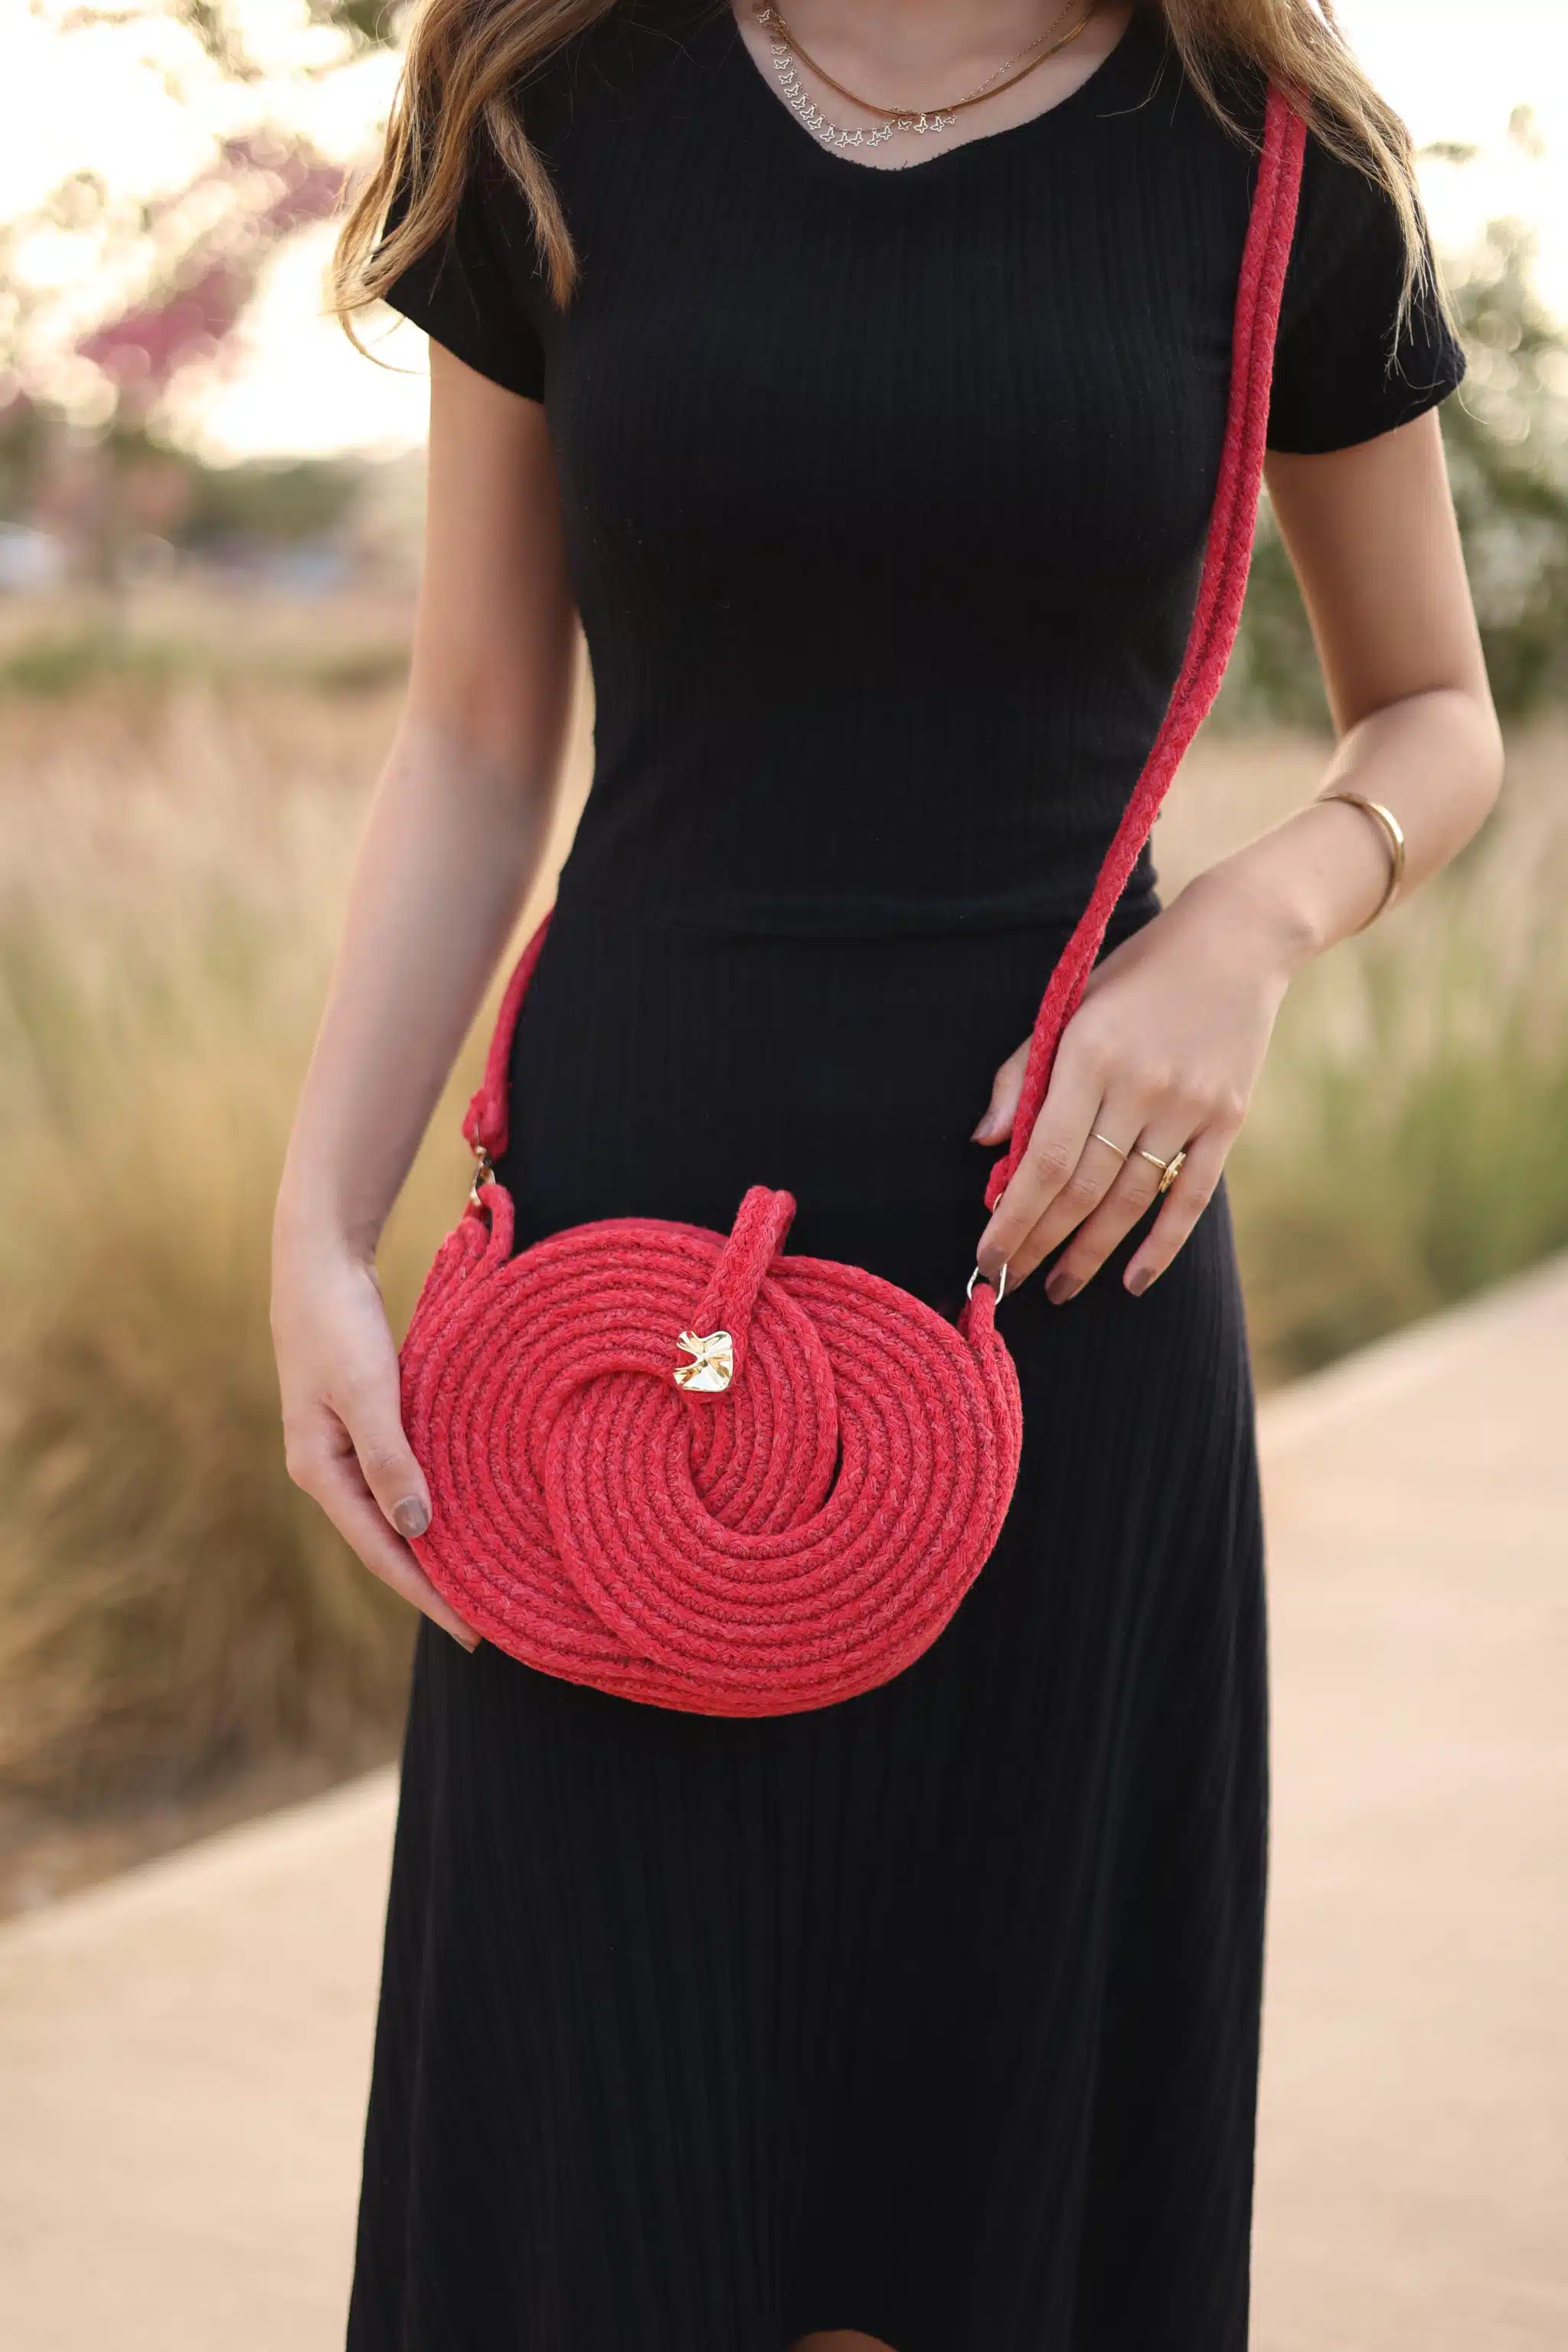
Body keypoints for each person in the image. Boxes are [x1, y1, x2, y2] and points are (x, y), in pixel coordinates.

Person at [270, 2, 1500, 2344]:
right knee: (607, 2195)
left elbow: (1434, 715)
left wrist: (1253, 923)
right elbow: (477, 728)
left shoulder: (1268, 151)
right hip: (607, 1299)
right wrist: (320, 1233)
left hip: (1060, 1281)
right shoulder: (546, 92)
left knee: (990, 2216)